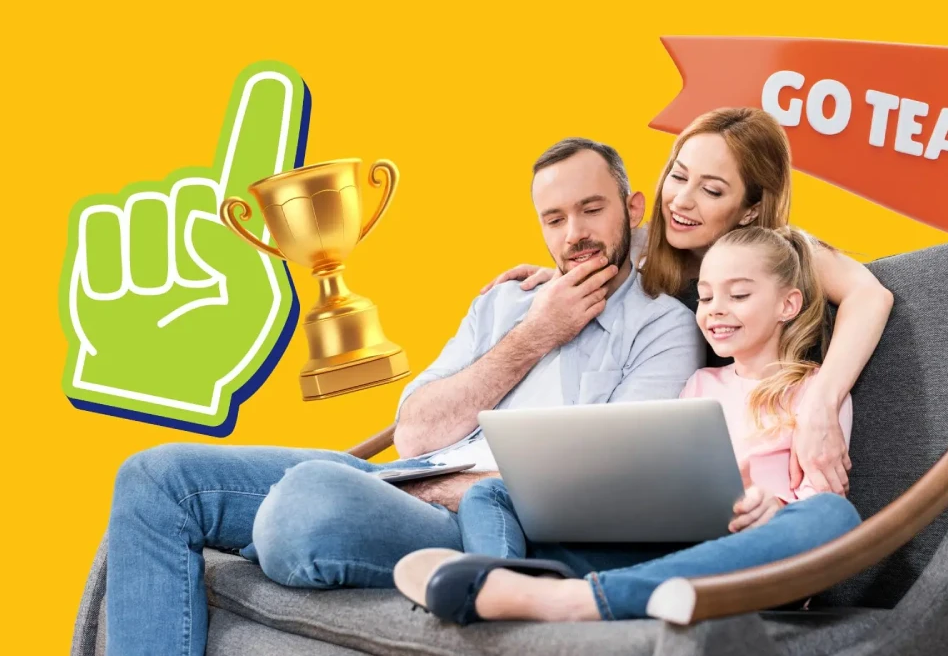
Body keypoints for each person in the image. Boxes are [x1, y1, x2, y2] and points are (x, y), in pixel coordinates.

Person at [100, 137, 706, 656]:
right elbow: (414, 433)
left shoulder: (662, 328)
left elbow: (609, 485)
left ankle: (283, 524)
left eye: (591, 209)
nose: (574, 235)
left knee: (307, 502)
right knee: (155, 477)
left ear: (631, 209)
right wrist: (535, 334)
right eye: (554, 219)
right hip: (406, 478)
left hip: (484, 521)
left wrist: (435, 488)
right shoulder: (509, 304)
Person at [394, 225, 862, 624]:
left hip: (754, 566)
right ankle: (506, 582)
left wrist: (774, 509)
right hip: (665, 552)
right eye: (704, 296)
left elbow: (820, 504)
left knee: (836, 518)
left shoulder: (818, 392)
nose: (715, 308)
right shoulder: (700, 381)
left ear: (788, 304)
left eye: (738, 295)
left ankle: (559, 598)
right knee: (491, 491)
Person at [481, 107, 893, 501]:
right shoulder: (644, 245)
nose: (681, 201)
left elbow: (870, 295)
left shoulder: (781, 254)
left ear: (751, 210)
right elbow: (594, 245)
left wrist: (822, 403)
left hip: (764, 461)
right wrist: (559, 274)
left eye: (712, 190)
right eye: (678, 176)